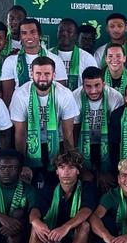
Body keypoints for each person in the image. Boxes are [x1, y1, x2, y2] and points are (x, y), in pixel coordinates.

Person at [25, 152, 96, 243]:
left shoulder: (87, 187)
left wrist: (66, 227)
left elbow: (86, 210)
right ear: (56, 171)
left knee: (84, 226)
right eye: (62, 167)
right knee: (37, 227)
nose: (66, 172)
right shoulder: (50, 187)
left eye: (71, 167)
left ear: (78, 170)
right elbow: (35, 209)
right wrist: (35, 221)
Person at [9, 56, 79, 187]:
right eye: (38, 73)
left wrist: (70, 162)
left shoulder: (64, 94)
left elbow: (68, 132)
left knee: (54, 183)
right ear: (31, 74)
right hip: (30, 143)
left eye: (47, 73)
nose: (42, 78)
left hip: (56, 143)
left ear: (54, 75)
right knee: (29, 183)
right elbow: (20, 133)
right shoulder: (20, 94)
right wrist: (22, 164)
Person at [74, 67, 124, 184]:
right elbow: (74, 130)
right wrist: (81, 165)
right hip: (84, 143)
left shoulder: (115, 97)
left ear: (104, 83)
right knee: (88, 179)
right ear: (83, 85)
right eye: (88, 86)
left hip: (108, 143)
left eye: (97, 85)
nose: (93, 91)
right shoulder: (75, 96)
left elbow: (116, 131)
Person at [2, 18, 67, 88]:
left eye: (32, 32)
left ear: (40, 35)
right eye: (24, 33)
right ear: (20, 37)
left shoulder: (55, 60)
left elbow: (61, 91)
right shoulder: (10, 61)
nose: (29, 36)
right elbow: (8, 95)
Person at [50, 18, 97, 88]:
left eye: (69, 31)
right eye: (61, 31)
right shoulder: (48, 55)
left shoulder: (87, 58)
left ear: (76, 35)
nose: (64, 34)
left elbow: (94, 83)